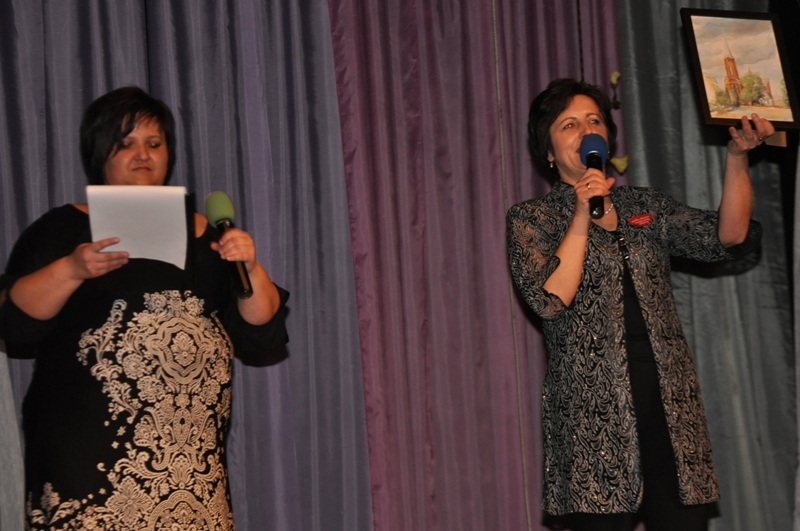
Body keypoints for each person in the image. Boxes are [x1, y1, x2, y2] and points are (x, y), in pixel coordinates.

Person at [0, 86, 289, 530]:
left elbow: (261, 331)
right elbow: (14, 322)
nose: (143, 155)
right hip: (89, 460)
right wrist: (72, 269)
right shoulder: (62, 229)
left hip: (189, 466)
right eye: (126, 143)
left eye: (155, 143)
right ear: (99, 152)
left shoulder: (209, 235)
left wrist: (250, 265)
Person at [506, 78, 773, 531]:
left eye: (594, 121)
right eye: (569, 124)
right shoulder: (532, 218)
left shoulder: (644, 205)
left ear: (606, 138)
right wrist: (581, 213)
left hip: (670, 405)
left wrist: (737, 156)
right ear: (548, 152)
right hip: (593, 417)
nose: (586, 130)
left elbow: (727, 235)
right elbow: (550, 299)